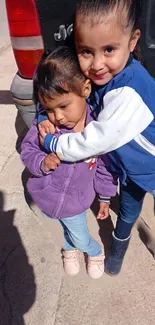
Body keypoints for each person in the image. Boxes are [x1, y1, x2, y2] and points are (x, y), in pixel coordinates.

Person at [37, 0, 155, 276]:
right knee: (127, 211)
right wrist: (46, 118)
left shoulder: (129, 90)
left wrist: (52, 143)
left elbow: (94, 140)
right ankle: (119, 247)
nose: (97, 64)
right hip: (126, 171)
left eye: (109, 49)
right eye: (86, 51)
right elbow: (60, 92)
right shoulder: (102, 78)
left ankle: (118, 247)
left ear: (133, 40)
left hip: (149, 168)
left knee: (129, 210)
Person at [21, 46, 117, 280]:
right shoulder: (47, 127)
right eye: (49, 109)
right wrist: (43, 163)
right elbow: (28, 150)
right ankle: (70, 248)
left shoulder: (97, 133)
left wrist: (105, 196)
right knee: (66, 229)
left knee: (80, 232)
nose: (58, 116)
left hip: (76, 201)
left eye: (63, 106)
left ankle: (93, 251)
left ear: (85, 89)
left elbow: (105, 167)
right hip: (47, 196)